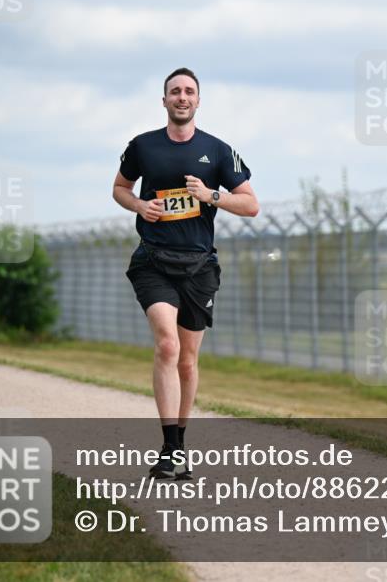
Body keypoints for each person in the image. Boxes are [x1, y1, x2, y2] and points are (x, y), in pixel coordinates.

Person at [112, 67, 259, 480]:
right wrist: (140, 206)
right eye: (175, 91)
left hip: (198, 266)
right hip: (154, 260)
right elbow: (120, 188)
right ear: (164, 101)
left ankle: (180, 441)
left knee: (188, 362)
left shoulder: (218, 150)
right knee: (167, 345)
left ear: (198, 100)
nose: (182, 97)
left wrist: (210, 195)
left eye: (189, 91)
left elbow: (251, 205)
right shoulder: (142, 146)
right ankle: (171, 449)